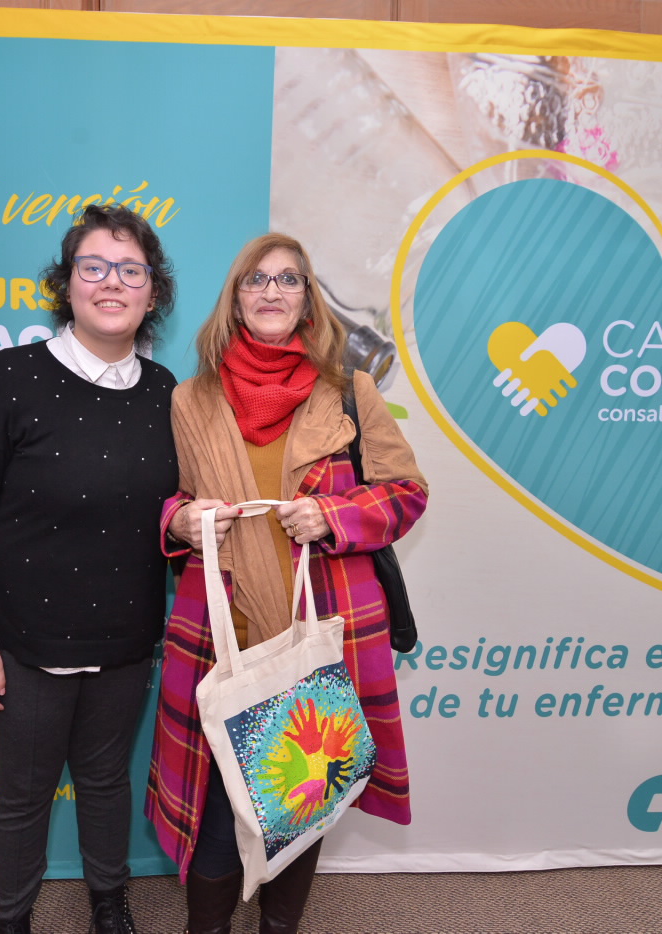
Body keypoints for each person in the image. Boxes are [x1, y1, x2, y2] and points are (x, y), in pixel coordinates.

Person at [145, 233, 428, 934]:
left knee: (303, 804)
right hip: (224, 633)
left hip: (321, 632)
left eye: (289, 279)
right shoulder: (190, 400)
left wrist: (334, 515)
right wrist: (180, 520)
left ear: (308, 300)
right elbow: (167, 498)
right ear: (235, 299)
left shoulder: (351, 392)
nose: (272, 291)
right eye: (257, 279)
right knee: (219, 811)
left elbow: (406, 492)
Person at [0, 204, 179, 934]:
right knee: (23, 794)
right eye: (93, 267)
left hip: (125, 642)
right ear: (66, 285)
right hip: (24, 644)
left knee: (105, 781)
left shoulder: (167, 393)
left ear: (153, 294)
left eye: (131, 270)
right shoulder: (10, 378)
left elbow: (173, 514)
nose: (112, 282)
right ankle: (11, 918)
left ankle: (109, 902)